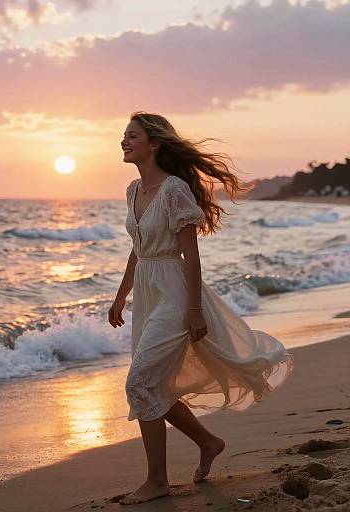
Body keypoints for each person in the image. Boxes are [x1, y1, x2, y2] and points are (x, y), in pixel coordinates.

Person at [108, 111, 294, 505]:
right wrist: (121, 294)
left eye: (132, 136)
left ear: (154, 143)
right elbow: (137, 248)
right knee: (153, 383)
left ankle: (157, 480)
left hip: (175, 292)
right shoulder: (133, 190)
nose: (124, 142)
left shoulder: (174, 189)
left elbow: (190, 256)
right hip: (147, 291)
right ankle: (208, 442)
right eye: (123, 136)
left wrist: (194, 310)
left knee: (139, 382)